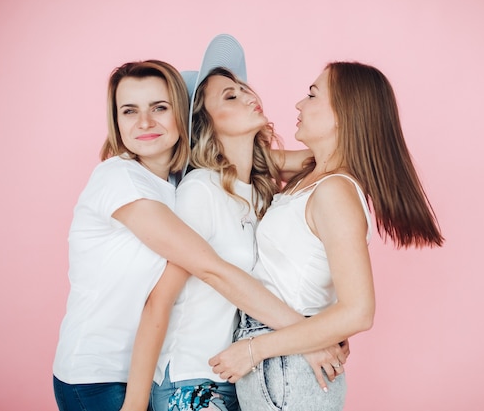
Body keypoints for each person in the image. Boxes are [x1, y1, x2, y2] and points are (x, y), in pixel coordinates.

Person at [52, 56, 338, 411]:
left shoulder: (174, 178)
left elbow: (288, 160)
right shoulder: (122, 180)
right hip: (99, 373)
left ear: (180, 117)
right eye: (128, 111)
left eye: (159, 107)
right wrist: (308, 336)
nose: (145, 122)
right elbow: (208, 270)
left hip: (177, 368)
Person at [208, 61, 445, 411]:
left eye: (312, 94)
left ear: (344, 113)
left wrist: (253, 351)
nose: (298, 105)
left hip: (285, 364)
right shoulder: (311, 172)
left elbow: (359, 312)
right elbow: (246, 159)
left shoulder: (335, 191)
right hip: (282, 360)